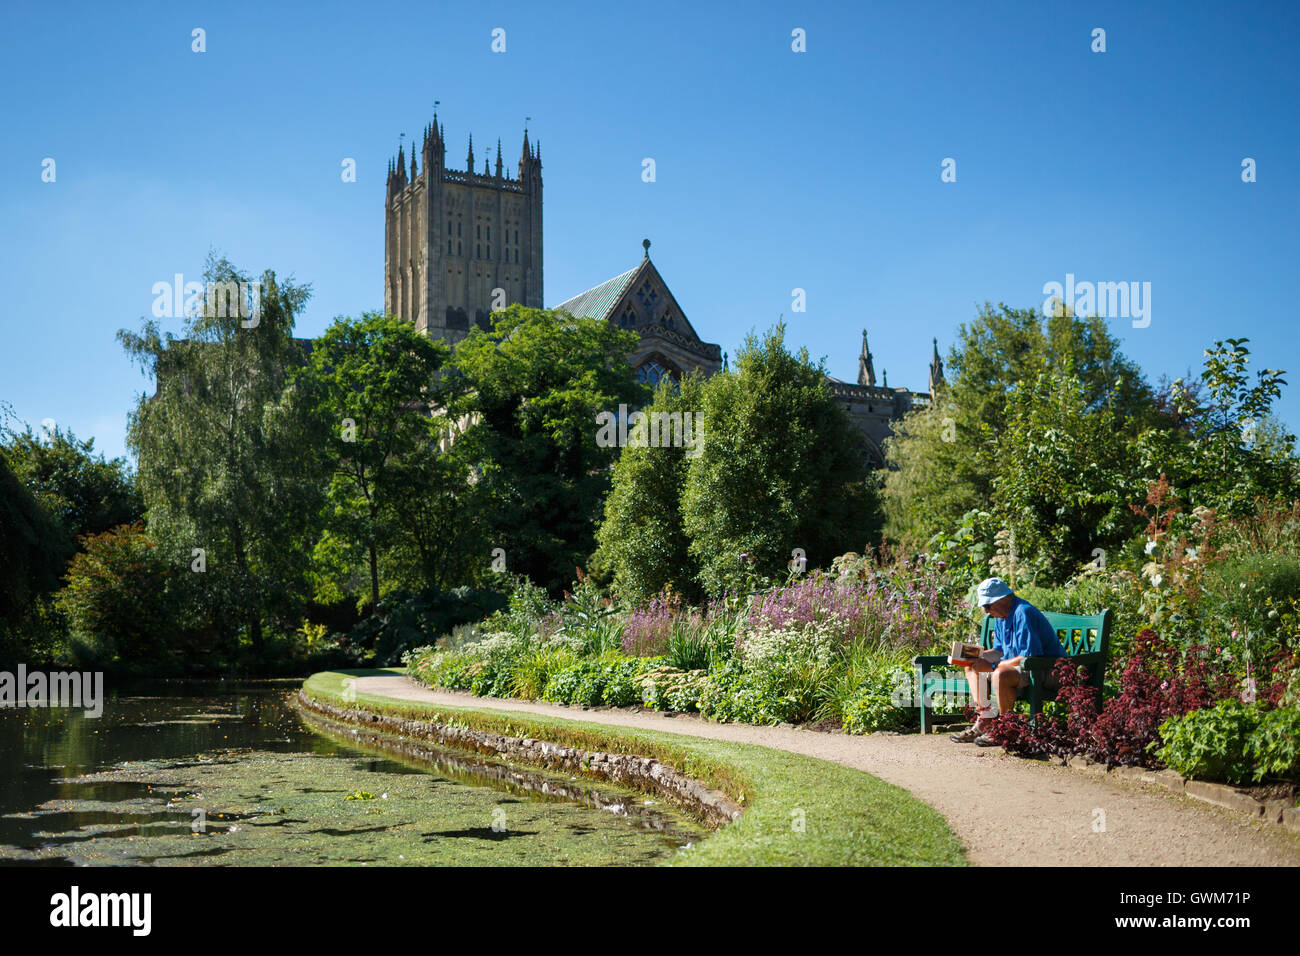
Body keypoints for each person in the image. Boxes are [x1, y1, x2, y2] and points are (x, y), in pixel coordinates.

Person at [949, 577, 1066, 746]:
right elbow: (999, 651)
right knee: (972, 667)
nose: (986, 611)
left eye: (987, 606)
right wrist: (976, 656)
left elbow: (1029, 655)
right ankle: (985, 720)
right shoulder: (1001, 617)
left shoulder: (1023, 612)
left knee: (1000, 673)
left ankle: (1004, 730)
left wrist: (998, 665)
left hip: (1046, 669)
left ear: (1001, 600)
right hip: (1022, 667)